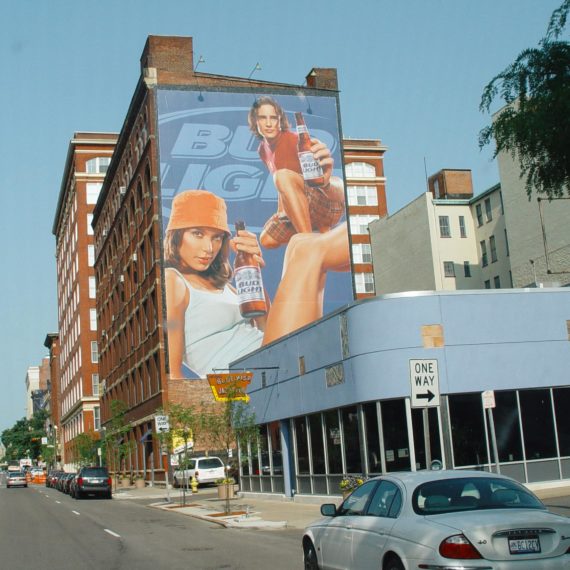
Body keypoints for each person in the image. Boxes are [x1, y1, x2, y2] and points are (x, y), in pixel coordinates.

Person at [164, 189, 350, 378]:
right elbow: (173, 374)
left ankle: (366, 245)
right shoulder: (172, 280)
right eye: (197, 234)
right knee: (307, 251)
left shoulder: (224, 287)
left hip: (269, 357)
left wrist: (253, 269)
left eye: (217, 237)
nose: (209, 248)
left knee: (299, 242)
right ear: (176, 236)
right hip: (252, 377)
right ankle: (370, 238)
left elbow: (265, 326)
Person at [248, 96, 346, 249]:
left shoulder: (295, 141)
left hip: (325, 203)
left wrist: (326, 178)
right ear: (255, 122)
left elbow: (287, 177)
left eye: (273, 118)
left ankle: (309, 245)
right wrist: (281, 211)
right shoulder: (262, 149)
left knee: (281, 176)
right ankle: (320, 237)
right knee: (267, 239)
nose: (268, 123)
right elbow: (283, 185)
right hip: (300, 205)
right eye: (262, 118)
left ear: (280, 120)